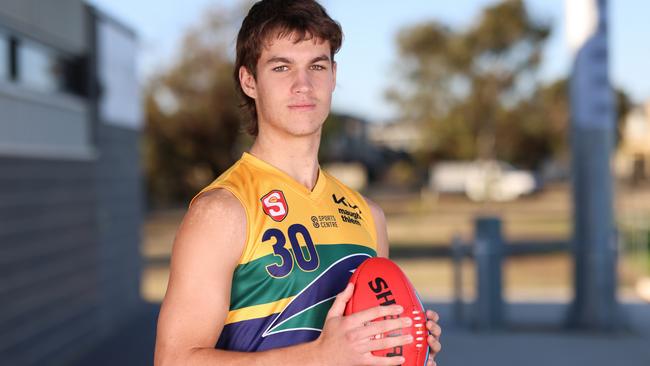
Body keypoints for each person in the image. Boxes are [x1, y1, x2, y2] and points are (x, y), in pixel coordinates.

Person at [154, 0, 442, 365]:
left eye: (317, 66)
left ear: (333, 76)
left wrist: (410, 350)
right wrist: (319, 357)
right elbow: (173, 360)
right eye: (281, 67)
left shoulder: (368, 216)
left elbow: (362, 349)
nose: (303, 84)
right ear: (249, 81)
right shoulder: (222, 211)